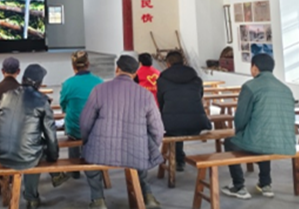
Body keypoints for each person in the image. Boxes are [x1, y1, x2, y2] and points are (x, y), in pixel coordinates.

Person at [80, 55, 163, 209]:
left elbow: (85, 123)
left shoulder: (99, 89)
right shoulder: (145, 95)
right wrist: (150, 147)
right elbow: (157, 129)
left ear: (117, 69)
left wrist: (86, 142)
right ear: (135, 73)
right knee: (141, 158)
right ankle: (147, 195)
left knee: (90, 162)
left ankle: (98, 200)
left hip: (101, 150)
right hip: (135, 150)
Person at [0, 64, 69, 209]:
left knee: (32, 145)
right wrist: (53, 159)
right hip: (24, 156)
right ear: (39, 83)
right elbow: (50, 134)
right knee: (36, 151)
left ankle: (52, 180)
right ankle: (32, 197)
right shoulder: (41, 100)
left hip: (1, 153)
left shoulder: (6, 95)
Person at [222, 54, 295, 200]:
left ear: (254, 68)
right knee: (264, 138)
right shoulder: (286, 89)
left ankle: (238, 186)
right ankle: (265, 184)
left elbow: (241, 117)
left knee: (230, 142)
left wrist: (240, 133)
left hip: (261, 141)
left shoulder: (250, 87)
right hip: (285, 143)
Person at [157, 51, 212, 172]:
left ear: (168, 64)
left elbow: (161, 102)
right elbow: (199, 96)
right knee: (180, 120)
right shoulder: (196, 78)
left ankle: (178, 160)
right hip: (197, 123)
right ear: (183, 62)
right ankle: (179, 159)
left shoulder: (162, 80)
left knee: (174, 124)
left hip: (171, 125)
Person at [59, 51, 103, 179]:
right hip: (95, 129)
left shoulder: (68, 84)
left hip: (75, 129)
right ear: (88, 64)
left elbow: (63, 105)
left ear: (73, 66)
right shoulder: (99, 82)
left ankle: (74, 169)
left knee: (72, 128)